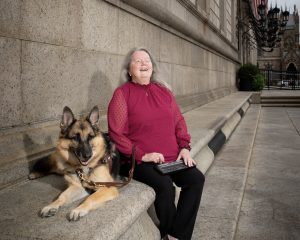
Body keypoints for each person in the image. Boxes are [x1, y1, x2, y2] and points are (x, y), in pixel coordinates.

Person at [107, 47, 205, 240]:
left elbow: (179, 122)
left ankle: (177, 235)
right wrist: (143, 154)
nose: (144, 63)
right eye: (138, 61)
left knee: (196, 179)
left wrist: (184, 148)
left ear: (153, 66)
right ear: (128, 70)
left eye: (147, 60)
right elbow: (116, 134)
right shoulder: (122, 94)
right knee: (165, 186)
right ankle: (170, 232)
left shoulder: (164, 92)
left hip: (172, 157)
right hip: (140, 161)